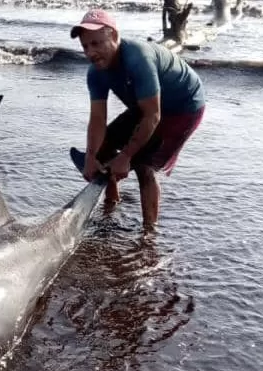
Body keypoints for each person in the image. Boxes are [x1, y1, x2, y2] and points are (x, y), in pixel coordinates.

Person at [70, 8, 206, 230]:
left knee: (144, 163)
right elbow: (97, 119)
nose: (91, 52)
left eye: (96, 43)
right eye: (85, 46)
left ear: (114, 36)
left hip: (184, 107)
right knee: (104, 146)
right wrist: (91, 157)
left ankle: (149, 233)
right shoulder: (95, 72)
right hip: (148, 104)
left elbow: (153, 116)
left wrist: (126, 156)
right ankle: (111, 201)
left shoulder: (138, 59)